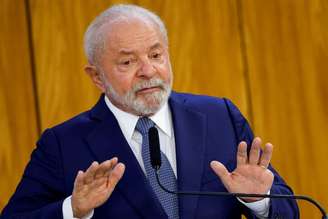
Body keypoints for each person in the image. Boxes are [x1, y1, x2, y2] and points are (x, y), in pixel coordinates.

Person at [1, 4, 299, 219]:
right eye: (127, 62)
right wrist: (73, 210)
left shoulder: (219, 116)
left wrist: (259, 200)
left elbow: (289, 211)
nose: (147, 71)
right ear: (96, 77)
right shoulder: (63, 145)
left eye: (156, 55)